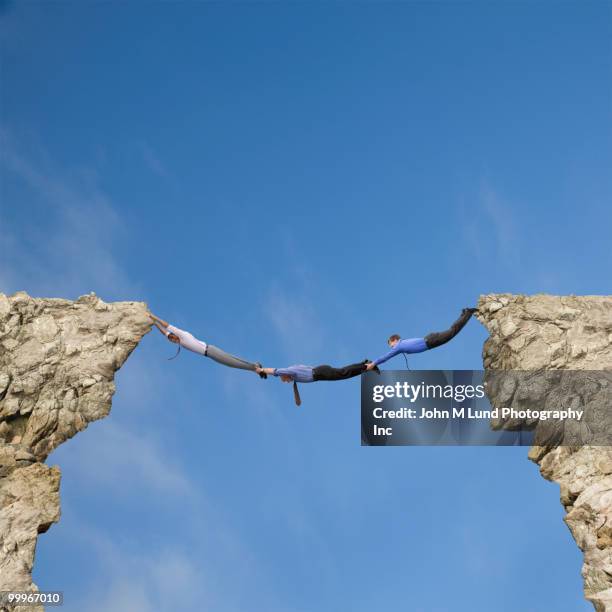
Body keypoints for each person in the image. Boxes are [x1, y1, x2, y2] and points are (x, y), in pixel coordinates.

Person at [149, 313, 266, 378]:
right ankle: (254, 369)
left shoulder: (181, 335)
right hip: (210, 355)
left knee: (231, 360)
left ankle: (255, 366)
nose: (172, 341)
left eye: (172, 338)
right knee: (231, 364)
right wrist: (154, 324)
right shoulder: (179, 341)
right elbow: (165, 332)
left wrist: (153, 316)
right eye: (171, 340)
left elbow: (166, 325)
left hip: (210, 350)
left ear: (175, 335)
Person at [365, 307, 478, 370]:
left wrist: (373, 363)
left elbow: (385, 357)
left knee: (452, 332)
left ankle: (467, 313)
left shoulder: (399, 346)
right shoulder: (402, 344)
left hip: (430, 341)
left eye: (391, 344)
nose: (391, 347)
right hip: (430, 340)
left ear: (395, 340)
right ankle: (464, 313)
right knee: (451, 331)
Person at [256, 360, 377, 405]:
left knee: (342, 373)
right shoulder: (294, 374)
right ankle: (366, 368)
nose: (286, 381)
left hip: (320, 373)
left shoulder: (288, 371)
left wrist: (262, 370)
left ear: (285, 375)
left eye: (285, 379)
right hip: (320, 373)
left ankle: (365, 365)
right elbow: (297, 400)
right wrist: (265, 373)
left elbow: (275, 371)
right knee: (343, 375)